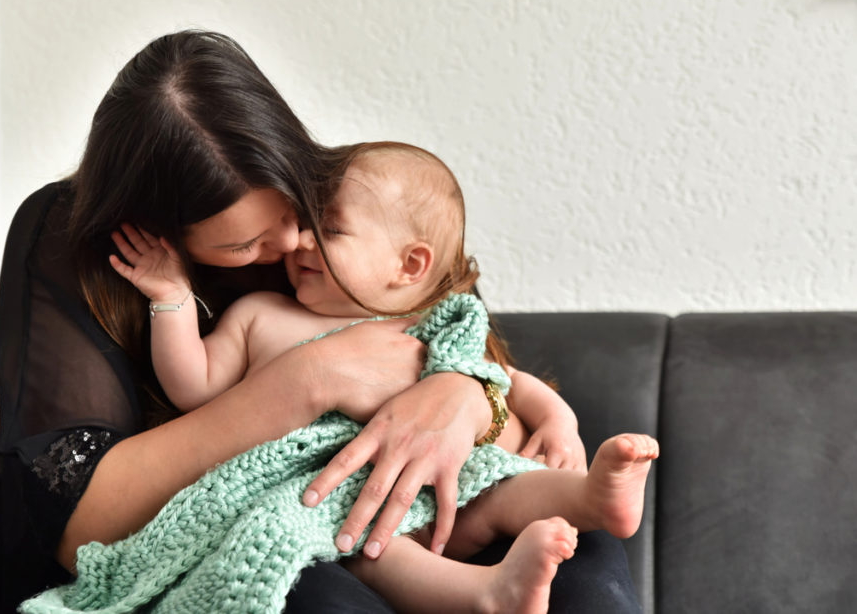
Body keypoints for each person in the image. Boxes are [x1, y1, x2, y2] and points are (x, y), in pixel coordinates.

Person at [0, 29, 642, 612]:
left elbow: (485, 364)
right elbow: (78, 525)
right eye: (244, 245)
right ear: (159, 231)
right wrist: (311, 378)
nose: (293, 243)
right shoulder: (90, 250)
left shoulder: (352, 210)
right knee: (319, 576)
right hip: (311, 515)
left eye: (295, 211)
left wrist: (465, 398)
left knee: (582, 563)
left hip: (453, 490)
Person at [109, 141, 658, 612]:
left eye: (330, 230)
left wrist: (560, 421)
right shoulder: (260, 315)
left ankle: (590, 499)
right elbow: (193, 387)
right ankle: (487, 593)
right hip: (341, 497)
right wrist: (172, 300)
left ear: (409, 266)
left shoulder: (427, 324)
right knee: (370, 547)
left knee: (505, 483)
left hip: (449, 482)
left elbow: (501, 379)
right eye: (306, 224)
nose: (300, 241)